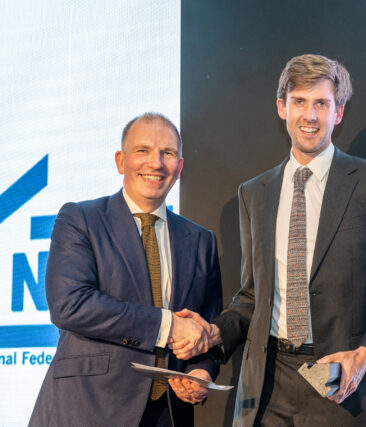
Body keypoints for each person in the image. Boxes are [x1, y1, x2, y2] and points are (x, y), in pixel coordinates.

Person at [174, 54, 366, 426]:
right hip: (268, 386)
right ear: (282, 108)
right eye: (299, 102)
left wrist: (364, 356)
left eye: (321, 104)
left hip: (346, 387)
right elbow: (252, 296)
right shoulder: (254, 193)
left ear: (338, 112)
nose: (309, 116)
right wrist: (214, 333)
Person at [29, 113, 223, 427]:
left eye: (168, 153)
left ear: (180, 166)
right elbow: (70, 306)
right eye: (143, 150)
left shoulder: (201, 240)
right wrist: (168, 324)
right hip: (89, 408)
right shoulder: (81, 219)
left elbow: (207, 324)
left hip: (169, 415)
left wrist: (201, 371)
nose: (156, 163)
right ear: (121, 161)